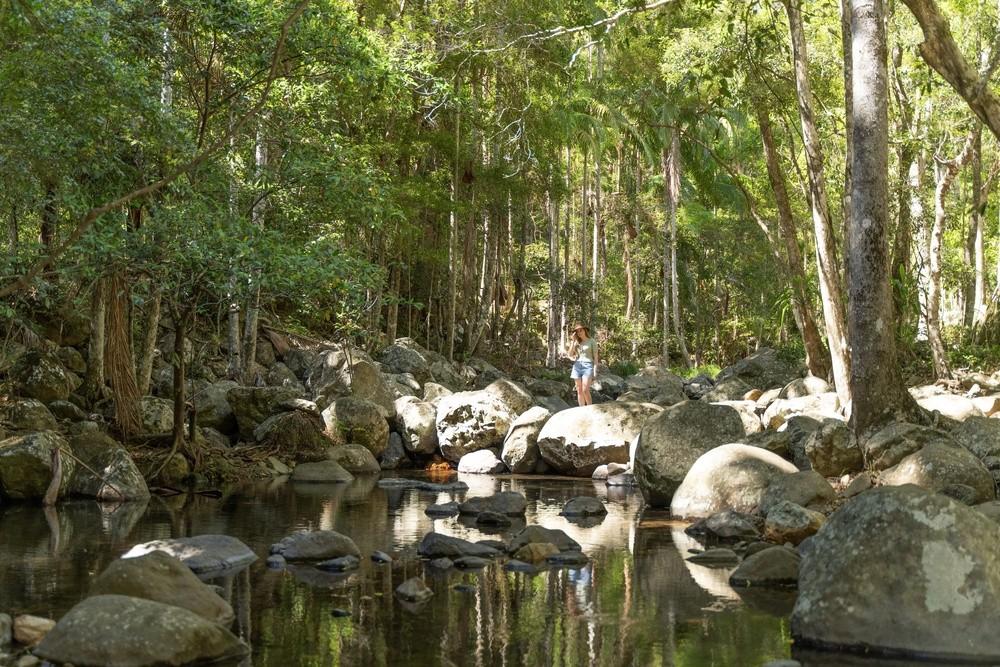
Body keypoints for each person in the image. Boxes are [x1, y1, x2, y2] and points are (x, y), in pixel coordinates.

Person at [567, 323, 598, 406]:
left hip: (588, 366)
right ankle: (581, 409)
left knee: (585, 390)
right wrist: (573, 341)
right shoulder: (577, 342)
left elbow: (595, 358)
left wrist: (595, 371)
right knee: (579, 390)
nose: (579, 332)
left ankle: (590, 408)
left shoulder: (592, 341)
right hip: (577, 366)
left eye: (581, 330)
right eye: (577, 331)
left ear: (585, 330)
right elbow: (569, 354)